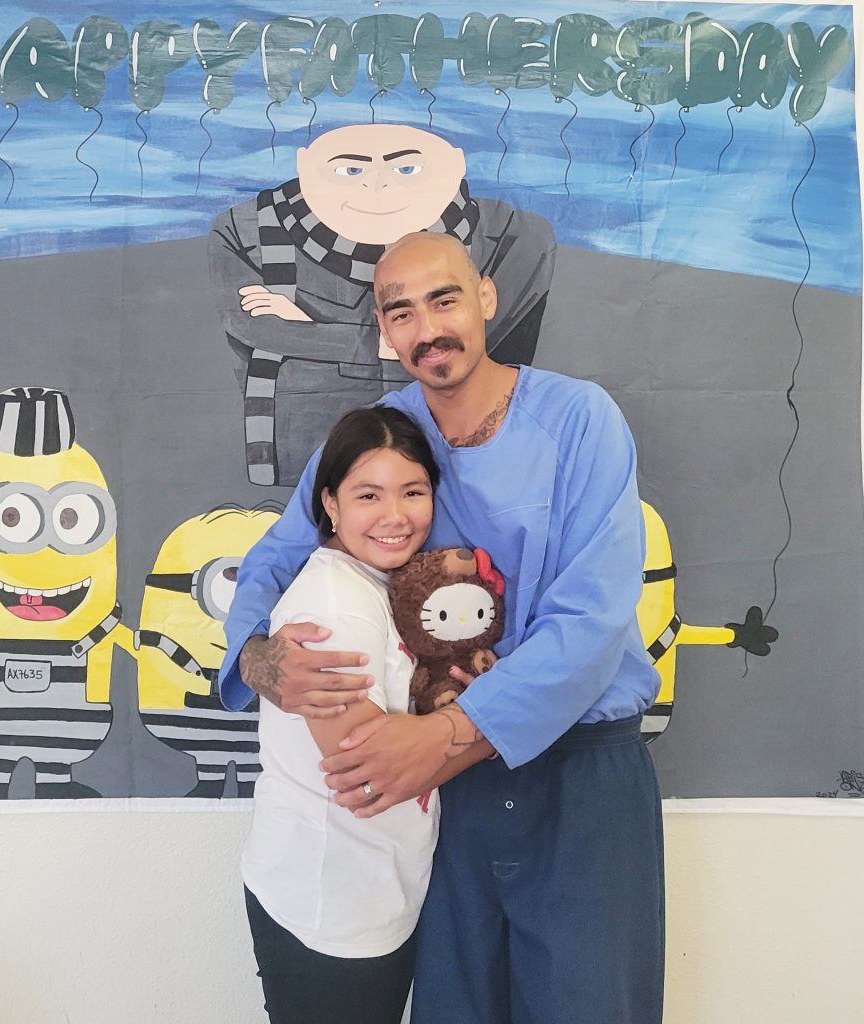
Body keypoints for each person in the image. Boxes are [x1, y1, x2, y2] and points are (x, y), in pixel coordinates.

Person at [218, 232, 665, 1024]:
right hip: (447, 797)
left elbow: (590, 626)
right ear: (385, 333)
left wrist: (453, 732)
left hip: (578, 778)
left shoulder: (578, 420)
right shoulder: (382, 438)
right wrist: (255, 655)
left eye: (444, 298)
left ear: (486, 299)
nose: (428, 327)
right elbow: (273, 559)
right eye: (402, 311)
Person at [207, 122, 556, 486]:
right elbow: (256, 327)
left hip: (468, 461)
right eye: (349, 169)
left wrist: (314, 330)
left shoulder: (516, 234)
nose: (376, 185)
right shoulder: (245, 229)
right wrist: (373, 340)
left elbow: (487, 342)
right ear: (304, 165)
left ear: (456, 165)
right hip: (303, 455)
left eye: (407, 168)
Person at [241, 405, 442, 1024]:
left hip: (376, 891)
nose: (395, 516)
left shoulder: (382, 586)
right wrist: (493, 729)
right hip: (330, 902)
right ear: (329, 503)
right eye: (368, 495)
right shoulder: (334, 602)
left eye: (414, 492)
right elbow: (367, 768)